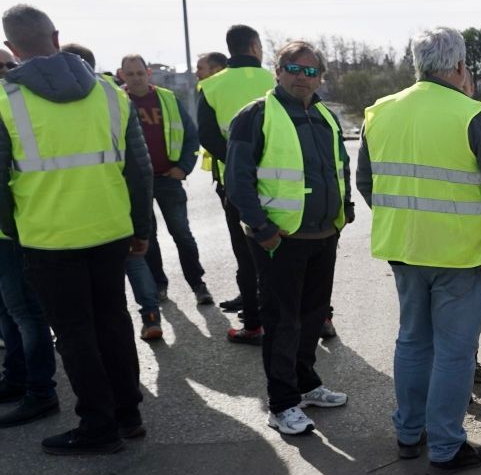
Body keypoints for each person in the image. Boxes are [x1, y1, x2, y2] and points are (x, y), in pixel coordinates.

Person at [357, 27, 481, 474]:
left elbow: (367, 182)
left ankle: (409, 433)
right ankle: (447, 446)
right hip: (464, 255)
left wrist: (405, 221)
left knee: (413, 341)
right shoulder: (475, 115)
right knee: (454, 351)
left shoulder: (379, 113)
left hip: (405, 250)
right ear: (459, 66)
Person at [0, 4, 152, 454]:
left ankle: (98, 426)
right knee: (113, 322)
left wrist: (15, 230)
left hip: (47, 238)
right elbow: (139, 170)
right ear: (55, 36)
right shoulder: (110, 93)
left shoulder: (6, 101)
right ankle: (129, 415)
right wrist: (139, 226)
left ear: (12, 48)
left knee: (74, 334)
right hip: (110, 230)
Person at [225, 41, 353, 436]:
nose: (303, 77)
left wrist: (344, 209)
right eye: (294, 69)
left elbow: (339, 165)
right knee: (282, 323)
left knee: (312, 316)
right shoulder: (256, 115)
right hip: (281, 240)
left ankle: (307, 383)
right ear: (277, 70)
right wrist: (262, 230)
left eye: (311, 71)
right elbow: (237, 180)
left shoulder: (325, 116)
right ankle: (281, 404)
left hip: (322, 234)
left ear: (321, 77)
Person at [59, 45, 163, 341]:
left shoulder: (47, 105)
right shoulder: (114, 98)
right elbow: (139, 169)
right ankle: (150, 315)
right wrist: (141, 226)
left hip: (72, 220)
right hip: (119, 209)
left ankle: (99, 332)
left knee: (99, 290)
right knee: (134, 261)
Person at [199, 24, 275, 343]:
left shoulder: (211, 86)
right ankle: (318, 316)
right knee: (293, 248)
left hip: (233, 182)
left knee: (245, 252)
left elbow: (207, 135)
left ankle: (254, 324)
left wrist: (237, 164)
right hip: (280, 179)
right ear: (256, 47)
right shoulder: (276, 79)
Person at [0, 45, 61, 428]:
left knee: (25, 311)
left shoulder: (17, 107)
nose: (3, 72)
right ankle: (17, 377)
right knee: (7, 312)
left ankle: (41, 391)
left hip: (14, 230)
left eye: (7, 65)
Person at [118, 54, 211, 306]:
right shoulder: (115, 101)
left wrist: (183, 167)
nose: (136, 78)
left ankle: (198, 284)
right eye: (130, 73)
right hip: (135, 183)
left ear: (148, 73)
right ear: (121, 74)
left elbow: (192, 136)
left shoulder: (167, 98)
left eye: (140, 73)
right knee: (148, 237)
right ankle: (159, 284)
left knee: (182, 233)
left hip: (168, 178)